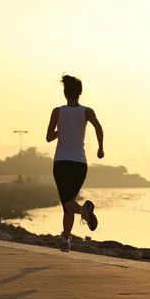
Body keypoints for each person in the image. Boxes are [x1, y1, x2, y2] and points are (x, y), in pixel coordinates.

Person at [46, 74, 104, 252]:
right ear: (80, 93)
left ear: (65, 93)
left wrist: (60, 130)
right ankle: (65, 239)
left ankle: (84, 212)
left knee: (68, 203)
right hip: (80, 163)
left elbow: (49, 138)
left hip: (62, 162)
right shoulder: (87, 111)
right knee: (69, 203)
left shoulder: (58, 111)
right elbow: (98, 126)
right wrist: (100, 148)